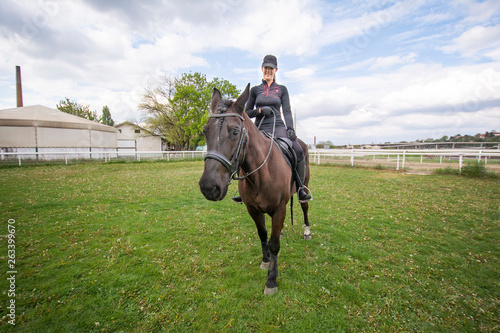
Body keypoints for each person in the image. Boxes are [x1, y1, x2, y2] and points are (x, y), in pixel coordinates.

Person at [233, 54, 312, 203]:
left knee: (297, 149)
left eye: (271, 68)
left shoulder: (282, 89)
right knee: (241, 149)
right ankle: (241, 188)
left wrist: (290, 128)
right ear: (262, 69)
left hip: (278, 126)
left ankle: (301, 188)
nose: (268, 70)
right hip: (260, 127)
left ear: (276, 69)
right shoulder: (255, 90)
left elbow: (287, 111)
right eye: (266, 68)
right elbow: (247, 112)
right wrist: (260, 111)